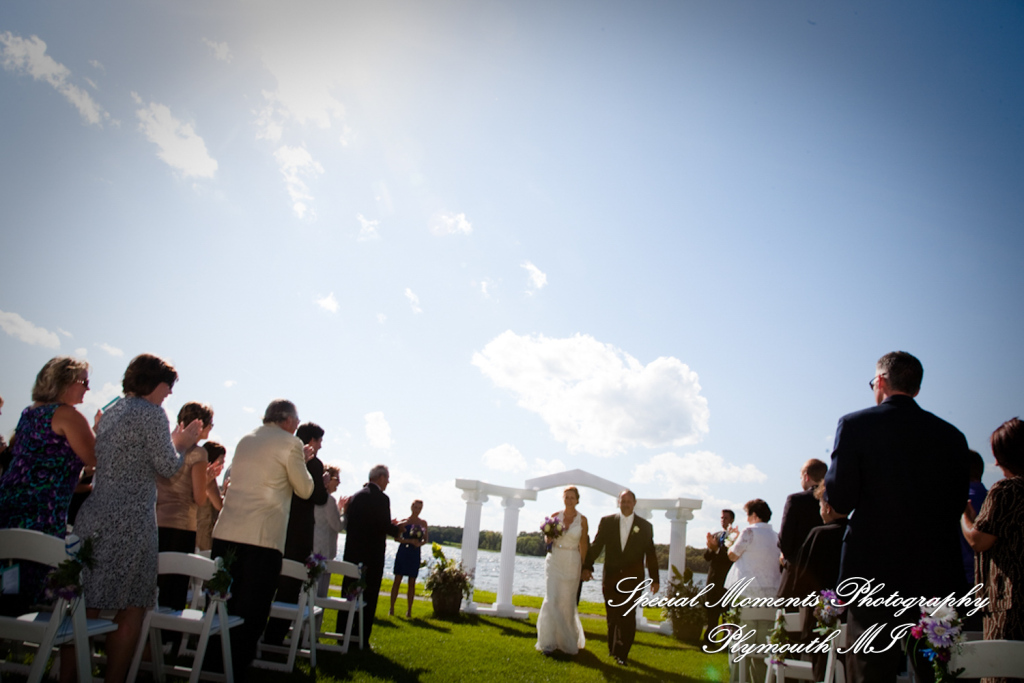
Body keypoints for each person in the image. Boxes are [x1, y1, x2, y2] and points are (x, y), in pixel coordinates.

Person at [824, 351, 970, 683]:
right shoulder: (952, 436)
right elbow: (955, 505)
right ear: (916, 389)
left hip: (871, 571)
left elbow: (841, 500)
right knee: (936, 672)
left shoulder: (855, 425)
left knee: (871, 670)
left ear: (881, 381)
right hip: (935, 572)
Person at [73, 354, 202, 683]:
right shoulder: (152, 413)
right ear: (155, 383)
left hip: (95, 513)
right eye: (168, 388)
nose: (169, 394)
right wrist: (182, 443)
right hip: (131, 519)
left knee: (84, 603)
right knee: (132, 605)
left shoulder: (113, 410)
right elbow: (167, 466)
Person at [207, 399, 314, 681]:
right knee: (252, 609)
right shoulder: (291, 444)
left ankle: (212, 662)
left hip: (226, 532)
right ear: (288, 420)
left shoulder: (246, 439)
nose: (297, 426)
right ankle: (237, 667)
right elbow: (305, 489)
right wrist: (303, 462)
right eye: (296, 421)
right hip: (262, 539)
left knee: (221, 603)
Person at [0, 357, 96, 613]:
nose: (88, 388)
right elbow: (97, 458)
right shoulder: (68, 415)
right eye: (84, 382)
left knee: (8, 586)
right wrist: (100, 430)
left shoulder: (29, 413)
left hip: (9, 505)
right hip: (41, 512)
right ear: (64, 382)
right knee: (30, 588)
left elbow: (47, 467)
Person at [961, 418, 1024, 653]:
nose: (995, 462)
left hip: (1009, 604)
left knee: (1002, 665)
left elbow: (978, 540)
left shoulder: (1005, 491)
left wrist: (965, 516)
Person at [156, 401, 220, 630]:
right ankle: (166, 637)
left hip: (156, 520)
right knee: (173, 587)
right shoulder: (198, 453)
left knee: (154, 583)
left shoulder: (167, 446)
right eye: (210, 424)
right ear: (201, 425)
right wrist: (208, 481)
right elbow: (199, 498)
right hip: (181, 525)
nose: (211, 428)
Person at [263, 421, 328, 645]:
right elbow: (318, 498)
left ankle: (257, 631)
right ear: (311, 440)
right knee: (290, 586)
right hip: (299, 532)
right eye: (319, 441)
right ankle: (274, 637)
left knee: (269, 581)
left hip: (276, 525)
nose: (320, 446)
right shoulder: (314, 464)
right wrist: (323, 485)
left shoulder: (282, 456)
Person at [778, 485, 848, 683]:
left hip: (821, 617)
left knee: (822, 670)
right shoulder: (858, 533)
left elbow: (801, 580)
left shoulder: (819, 534)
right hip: (851, 621)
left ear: (827, 507)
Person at [582, 489, 659, 666]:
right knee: (612, 615)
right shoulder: (607, 522)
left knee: (628, 616)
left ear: (634, 503)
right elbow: (597, 546)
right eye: (622, 501)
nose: (625, 504)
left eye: (628, 501)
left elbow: (651, 554)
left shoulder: (645, 527)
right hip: (611, 578)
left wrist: (655, 579)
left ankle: (622, 654)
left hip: (634, 580)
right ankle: (613, 649)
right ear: (618, 503)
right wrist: (587, 566)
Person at [342, 464, 403, 648]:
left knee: (349, 593)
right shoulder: (382, 499)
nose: (388, 482)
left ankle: (342, 633)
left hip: (353, 554)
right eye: (387, 478)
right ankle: (361, 638)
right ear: (381, 478)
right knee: (369, 596)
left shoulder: (356, 497)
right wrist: (397, 528)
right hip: (373, 556)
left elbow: (354, 523)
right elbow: (382, 526)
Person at [724, 498, 780, 683]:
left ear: (754, 515)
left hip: (745, 596)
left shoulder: (748, 532)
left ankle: (737, 680)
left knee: (740, 645)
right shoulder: (777, 536)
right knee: (763, 648)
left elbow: (732, 555)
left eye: (747, 514)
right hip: (770, 599)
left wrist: (731, 540)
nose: (747, 519)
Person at [536, 486, 588, 655]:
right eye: (567, 497)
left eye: (572, 497)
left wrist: (583, 566)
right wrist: (548, 537)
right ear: (563, 499)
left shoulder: (582, 520)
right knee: (552, 598)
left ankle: (566, 641)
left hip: (572, 561)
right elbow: (547, 538)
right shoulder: (554, 517)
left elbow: (583, 544)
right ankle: (548, 641)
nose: (569, 500)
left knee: (567, 600)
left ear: (577, 500)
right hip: (555, 560)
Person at [777, 459, 827, 581]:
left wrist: (785, 555)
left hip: (798, 570)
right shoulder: (832, 500)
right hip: (828, 569)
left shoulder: (795, 500)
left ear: (806, 476)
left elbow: (785, 538)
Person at [389, 499, 430, 618]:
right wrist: (409, 541)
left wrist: (419, 543)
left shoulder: (423, 523)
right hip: (404, 551)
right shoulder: (404, 522)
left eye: (419, 508)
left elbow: (425, 539)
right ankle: (392, 608)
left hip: (415, 553)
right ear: (411, 507)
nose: (417, 510)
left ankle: (409, 610)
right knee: (397, 579)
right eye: (415, 507)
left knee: (412, 582)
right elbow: (396, 538)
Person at [702, 509, 735, 647]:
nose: (723, 520)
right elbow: (707, 557)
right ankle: (709, 641)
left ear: (731, 520)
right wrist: (711, 547)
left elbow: (729, 558)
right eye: (722, 518)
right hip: (713, 579)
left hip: (727, 580)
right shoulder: (716, 535)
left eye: (726, 518)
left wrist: (716, 549)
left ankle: (725, 643)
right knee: (712, 612)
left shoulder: (735, 537)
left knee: (726, 614)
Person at [313, 465, 346, 597]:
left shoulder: (314, 497)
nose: (339, 482)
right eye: (336, 479)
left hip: (313, 549)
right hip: (324, 552)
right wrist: (345, 513)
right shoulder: (329, 500)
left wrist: (338, 508)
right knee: (320, 592)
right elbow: (337, 525)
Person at [195, 441, 227, 552]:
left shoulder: (196, 473)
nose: (222, 467)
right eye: (221, 463)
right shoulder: (210, 481)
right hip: (205, 534)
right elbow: (219, 506)